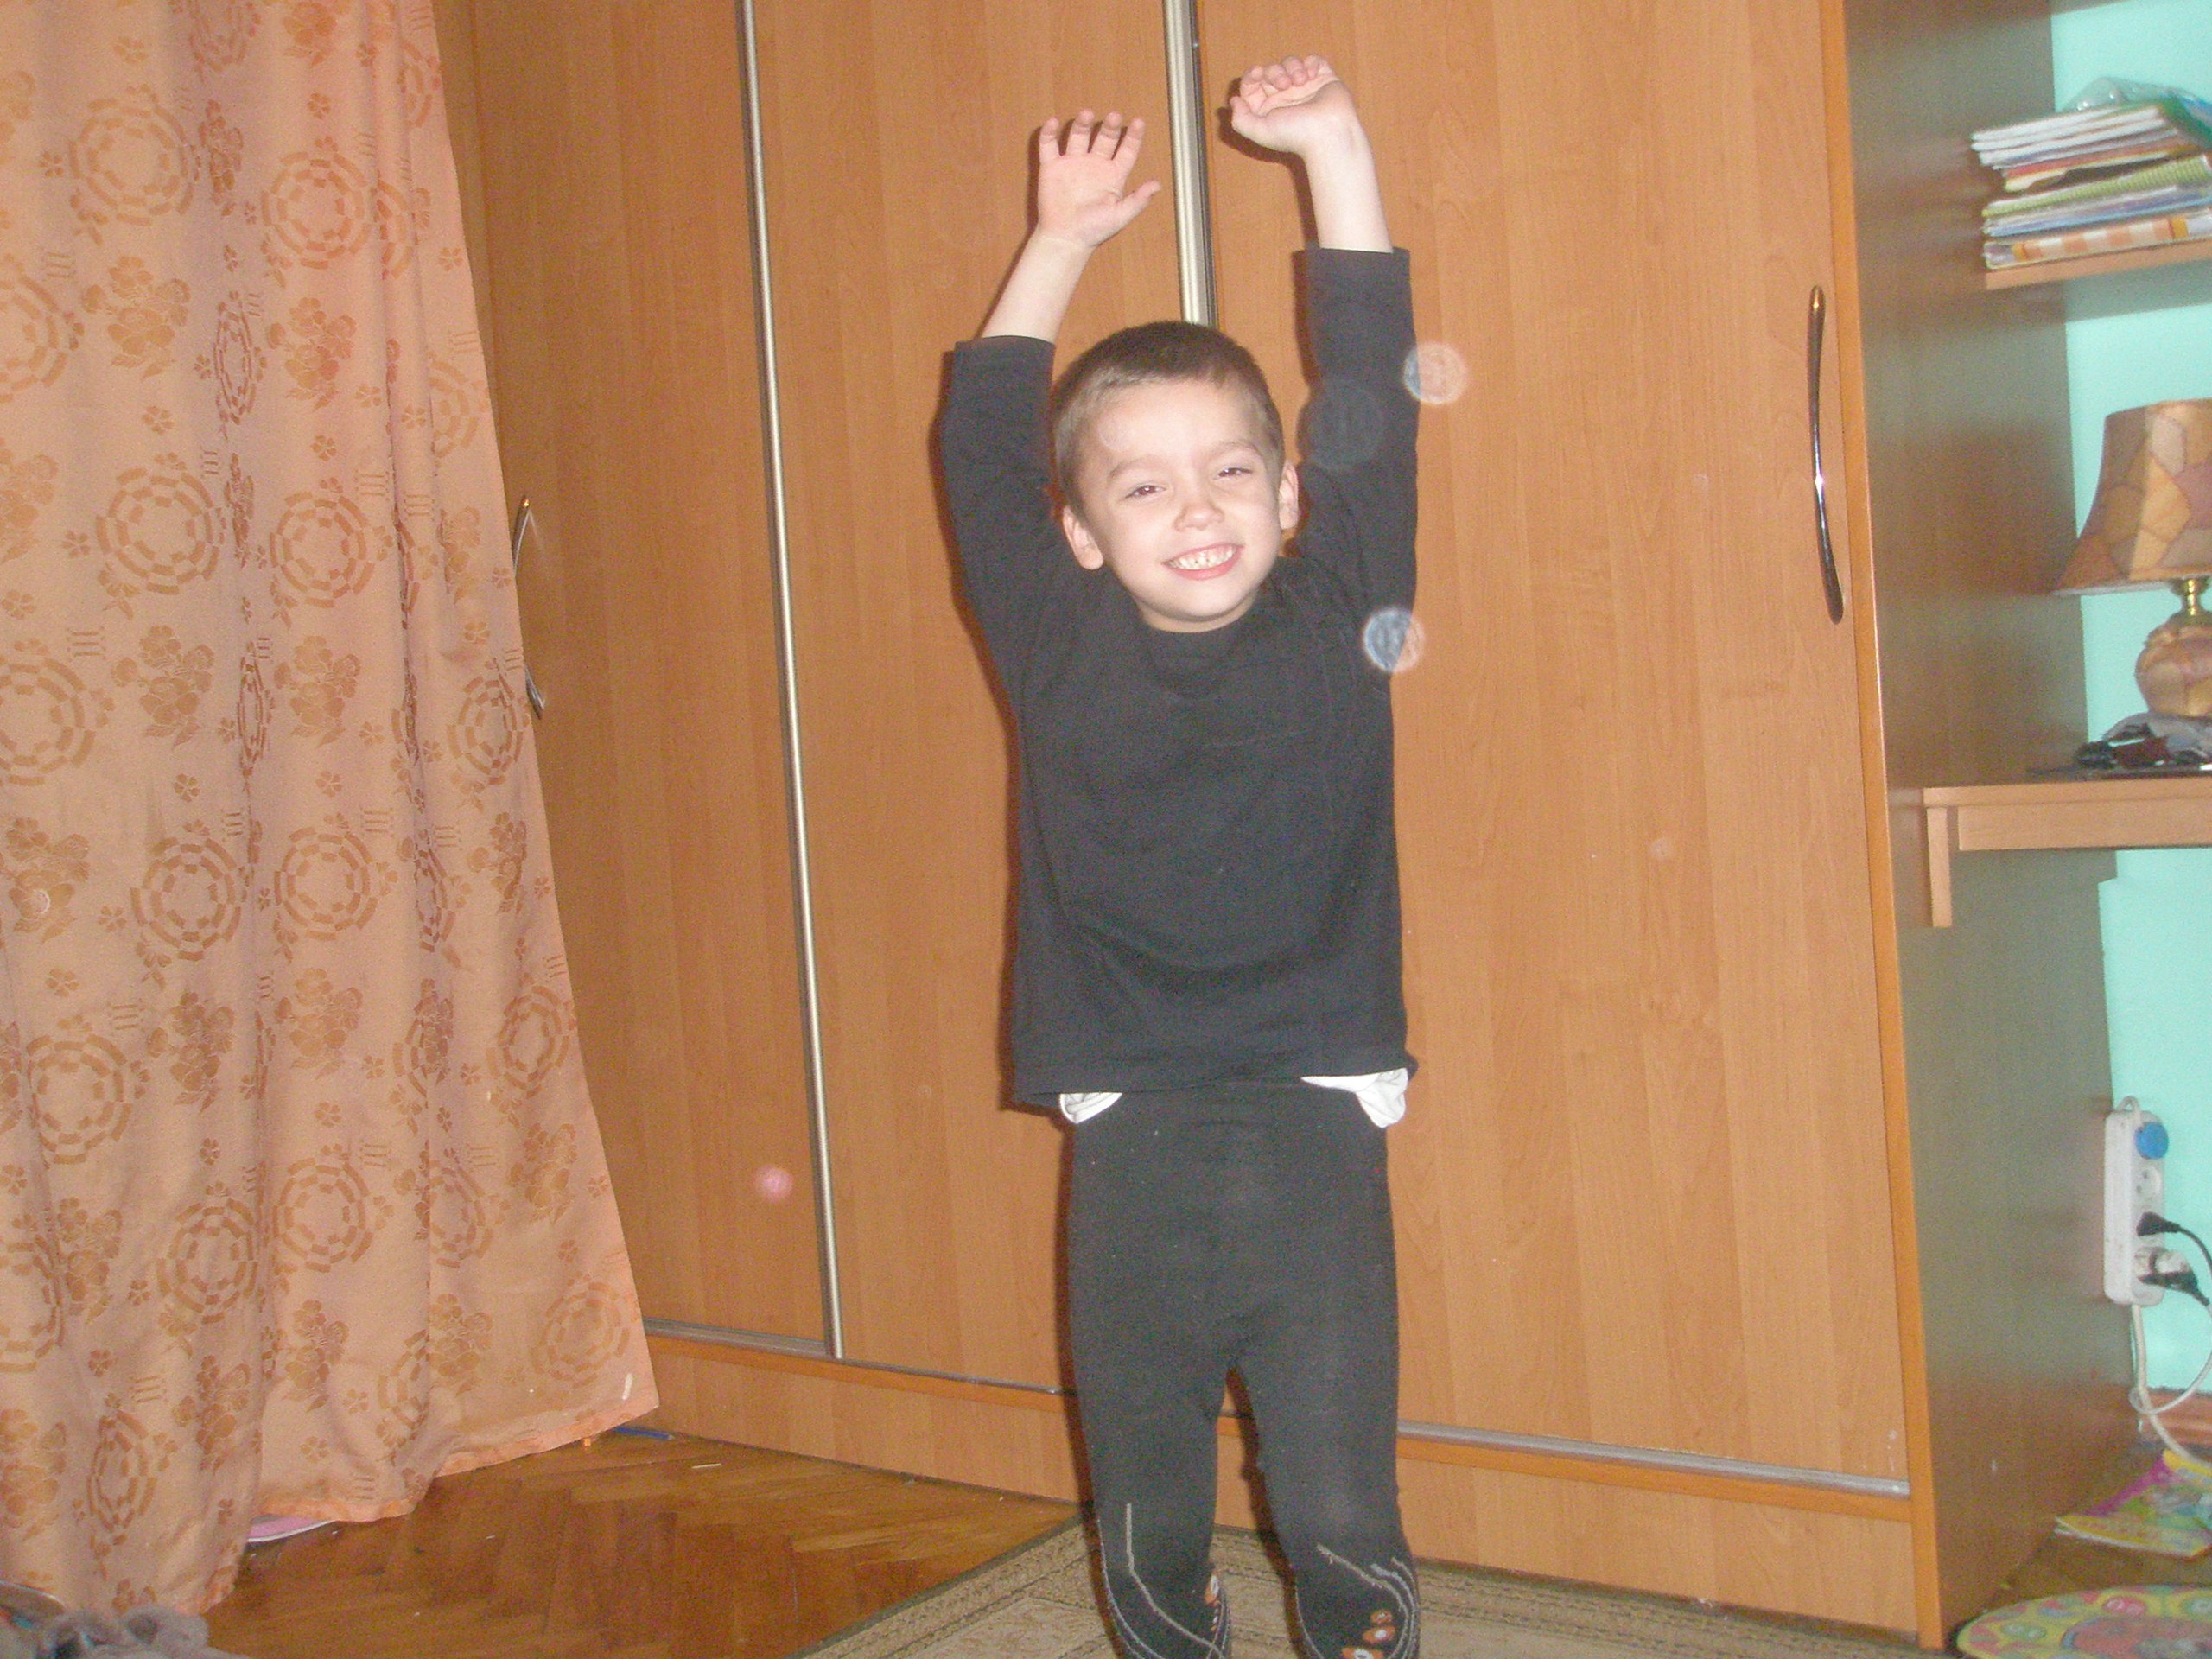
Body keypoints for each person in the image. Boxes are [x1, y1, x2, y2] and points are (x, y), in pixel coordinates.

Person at [939, 54, 1421, 1659]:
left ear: (1287, 492)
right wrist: (1060, 239)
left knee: (1338, 1496)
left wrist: (1334, 148)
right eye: (1140, 485)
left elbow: (1368, 375)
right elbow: (980, 442)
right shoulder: (1055, 639)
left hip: (1316, 1108)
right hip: (1130, 1113)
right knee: (1148, 1501)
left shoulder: (1345, 610)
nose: (1196, 508)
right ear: (1079, 531)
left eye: (1230, 469)